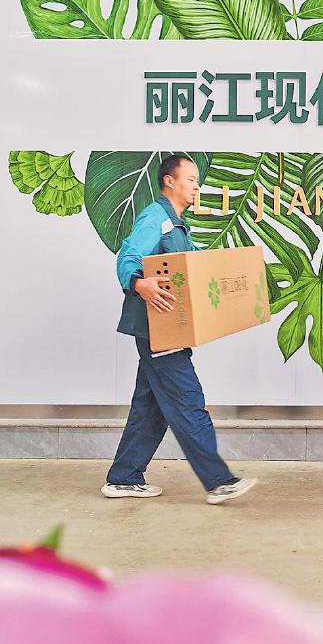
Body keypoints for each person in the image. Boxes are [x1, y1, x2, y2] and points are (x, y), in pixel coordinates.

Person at [101, 154, 257, 505]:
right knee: (188, 401)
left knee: (151, 407)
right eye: (191, 179)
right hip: (158, 330)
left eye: (197, 180)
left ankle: (124, 478)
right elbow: (128, 257)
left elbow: (195, 264)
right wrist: (139, 284)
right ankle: (219, 481)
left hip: (167, 329)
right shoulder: (155, 218)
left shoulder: (178, 227)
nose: (197, 186)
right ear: (169, 181)